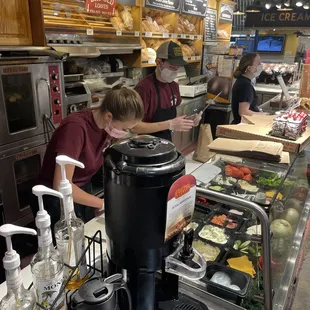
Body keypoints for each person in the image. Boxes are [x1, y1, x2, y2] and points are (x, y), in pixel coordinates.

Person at [31, 85, 144, 229]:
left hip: (81, 189)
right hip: (54, 199)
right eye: (125, 129)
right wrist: (102, 203)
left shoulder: (105, 126)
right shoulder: (75, 128)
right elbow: (61, 185)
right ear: (109, 116)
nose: (125, 133)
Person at [131, 41, 201, 141]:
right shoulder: (144, 89)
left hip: (166, 143)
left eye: (178, 67)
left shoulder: (174, 87)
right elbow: (134, 127)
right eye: (172, 66)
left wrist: (188, 121)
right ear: (159, 62)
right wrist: (169, 124)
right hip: (145, 146)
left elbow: (170, 119)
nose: (175, 70)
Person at [231, 53, 266, 124]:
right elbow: (243, 112)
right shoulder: (245, 85)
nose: (260, 65)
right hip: (243, 125)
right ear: (249, 67)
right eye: (258, 62)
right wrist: (264, 115)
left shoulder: (243, 81)